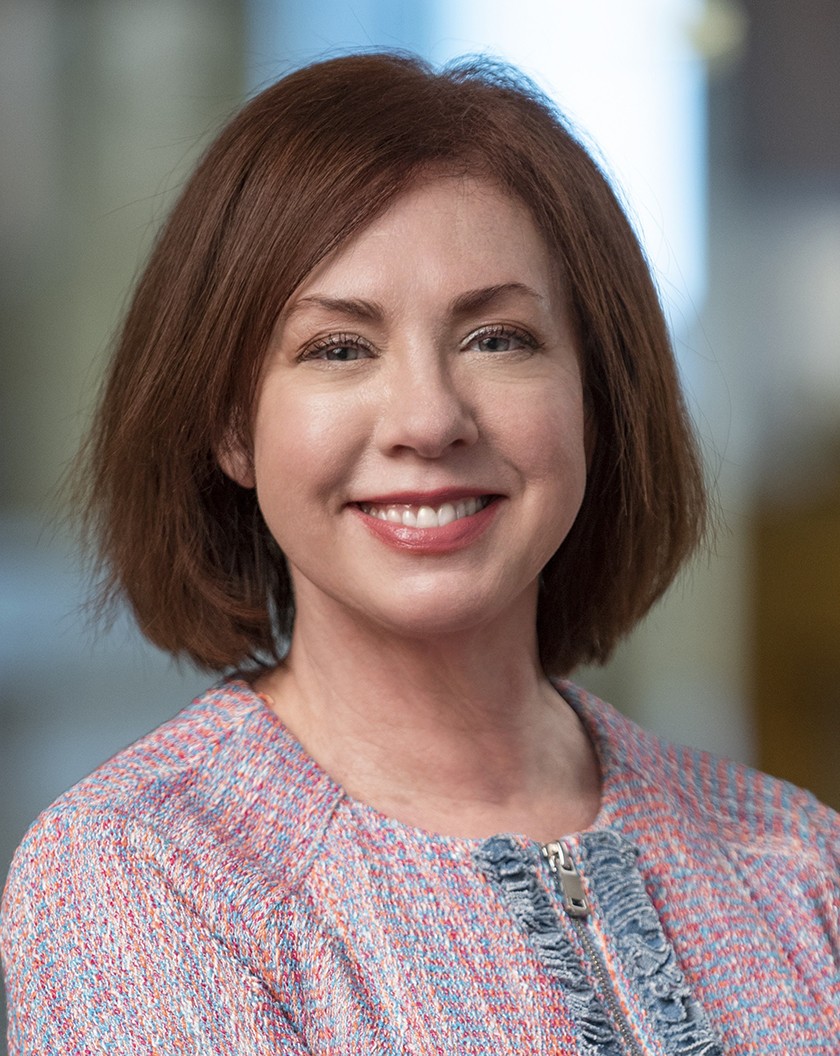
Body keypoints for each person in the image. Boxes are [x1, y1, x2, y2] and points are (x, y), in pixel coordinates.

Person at [1, 51, 837, 1055]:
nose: (429, 420)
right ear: (230, 427)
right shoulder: (143, 876)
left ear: (596, 401)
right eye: (338, 350)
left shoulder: (797, 861)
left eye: (498, 339)